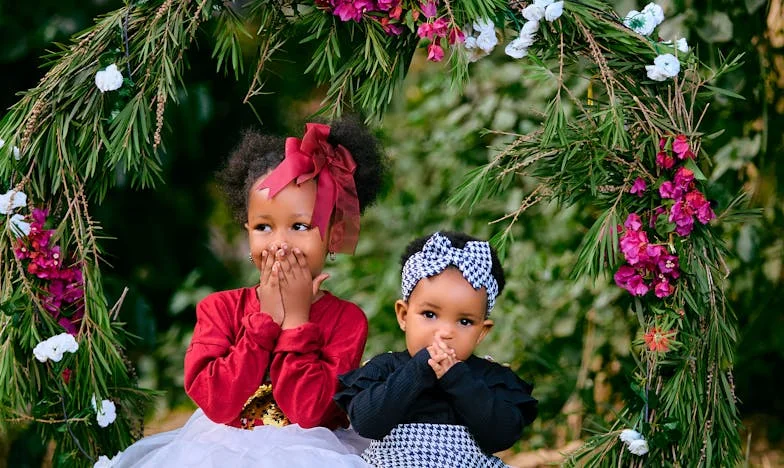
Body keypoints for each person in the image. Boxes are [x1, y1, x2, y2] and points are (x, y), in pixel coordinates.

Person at [112, 118, 385, 467]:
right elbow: (217, 403)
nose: (280, 244)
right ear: (247, 232)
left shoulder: (346, 321)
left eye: (299, 226)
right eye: (263, 227)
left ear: (334, 235)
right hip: (219, 452)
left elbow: (310, 412)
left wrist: (297, 323)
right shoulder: (220, 309)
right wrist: (264, 321)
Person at [334, 231, 538, 468]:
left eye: (464, 322)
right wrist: (418, 370)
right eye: (430, 315)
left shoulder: (489, 377)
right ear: (403, 315)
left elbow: (501, 436)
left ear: (482, 332)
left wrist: (457, 379)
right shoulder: (386, 368)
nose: (445, 332)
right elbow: (367, 423)